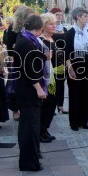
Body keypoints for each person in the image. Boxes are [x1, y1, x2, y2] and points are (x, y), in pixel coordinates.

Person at [14, 14, 47, 171]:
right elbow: (28, 69)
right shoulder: (26, 43)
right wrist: (39, 89)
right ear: (38, 28)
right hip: (28, 90)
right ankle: (29, 162)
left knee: (29, 126)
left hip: (27, 89)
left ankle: (30, 160)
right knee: (30, 127)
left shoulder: (25, 40)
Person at [65, 8, 88, 130]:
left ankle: (84, 121)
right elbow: (66, 53)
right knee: (74, 94)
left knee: (86, 93)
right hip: (75, 65)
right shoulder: (70, 33)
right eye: (84, 16)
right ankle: (74, 122)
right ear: (78, 17)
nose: (87, 19)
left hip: (87, 65)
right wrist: (70, 68)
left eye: (87, 17)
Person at [4, 5, 34, 121]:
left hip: (27, 59)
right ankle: (15, 109)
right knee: (13, 86)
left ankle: (21, 107)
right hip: (16, 59)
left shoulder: (30, 27)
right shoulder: (13, 28)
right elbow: (9, 44)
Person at [39, 13, 58, 142]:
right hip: (46, 77)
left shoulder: (52, 39)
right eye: (51, 24)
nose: (54, 26)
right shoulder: (41, 40)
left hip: (55, 75)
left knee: (52, 104)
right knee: (46, 104)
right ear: (43, 26)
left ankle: (45, 129)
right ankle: (41, 131)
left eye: (54, 23)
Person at [50, 7, 69, 114]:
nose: (59, 16)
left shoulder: (65, 29)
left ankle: (60, 105)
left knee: (61, 83)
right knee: (51, 82)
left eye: (61, 14)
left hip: (62, 59)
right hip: (52, 58)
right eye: (57, 14)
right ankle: (51, 105)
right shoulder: (49, 29)